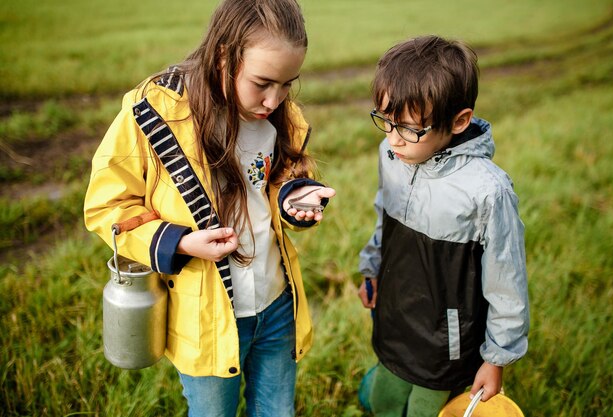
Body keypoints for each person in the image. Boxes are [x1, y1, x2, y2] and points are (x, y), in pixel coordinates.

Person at [84, 1, 335, 416]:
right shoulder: (154, 112)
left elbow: (279, 181)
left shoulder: (281, 118)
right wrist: (181, 242)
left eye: (289, 84)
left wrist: (294, 198)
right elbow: (107, 207)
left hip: (276, 303)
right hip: (205, 319)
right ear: (224, 55)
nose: (275, 99)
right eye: (263, 83)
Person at [357, 35, 529, 417]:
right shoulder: (392, 153)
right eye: (385, 121)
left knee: (424, 410)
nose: (392, 139)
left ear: (459, 121)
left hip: (445, 339)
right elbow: (384, 215)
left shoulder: (488, 192)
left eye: (408, 129)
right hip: (396, 314)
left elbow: (507, 281)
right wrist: (371, 268)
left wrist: (496, 357)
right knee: (384, 398)